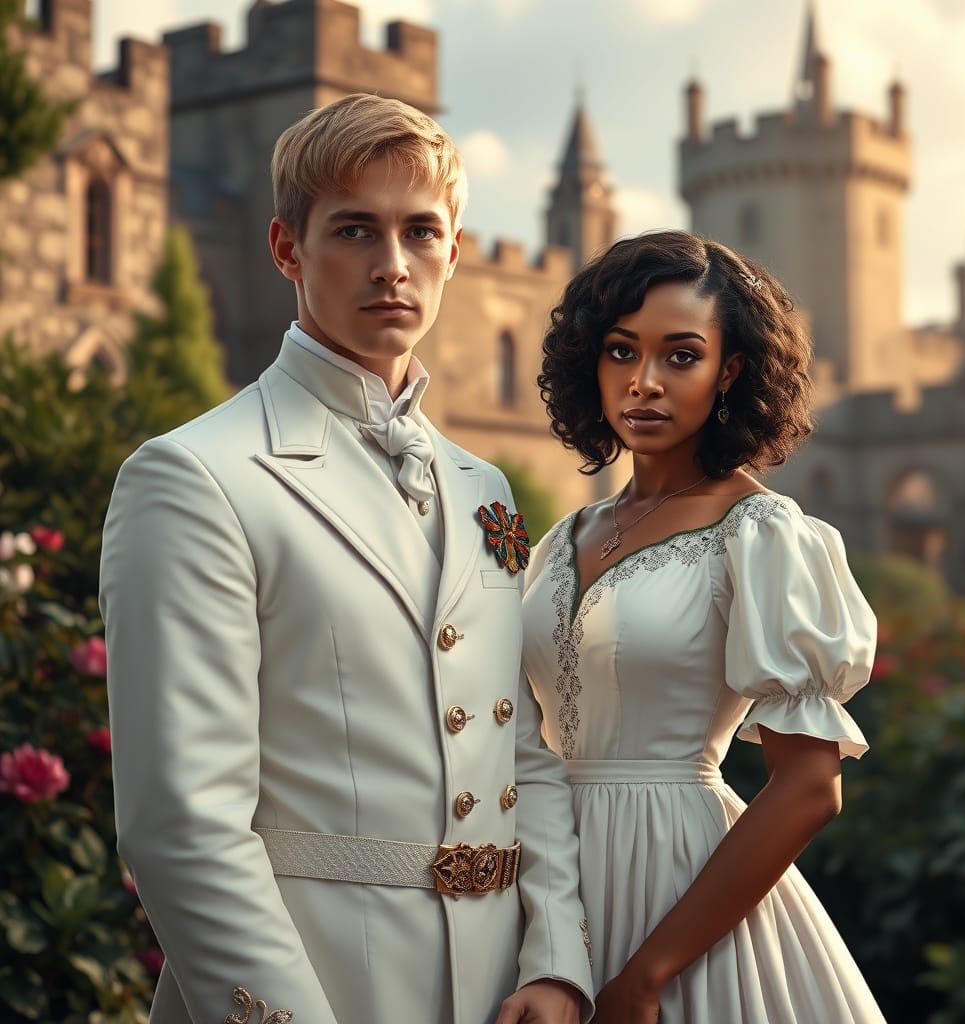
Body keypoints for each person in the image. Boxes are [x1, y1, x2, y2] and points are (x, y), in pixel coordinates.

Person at [100, 94, 594, 1024]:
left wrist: (559, 962)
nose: (393, 266)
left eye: (421, 233)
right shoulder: (193, 476)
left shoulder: (484, 485)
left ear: (454, 249)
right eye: (357, 231)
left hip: (501, 993)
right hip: (319, 984)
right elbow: (181, 826)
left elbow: (524, 751)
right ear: (289, 250)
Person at [522, 230, 886, 1023]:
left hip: (684, 895)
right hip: (543, 894)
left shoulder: (763, 533)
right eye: (621, 351)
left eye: (680, 356)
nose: (643, 382)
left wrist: (650, 972)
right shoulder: (559, 541)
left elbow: (809, 787)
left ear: (731, 371)